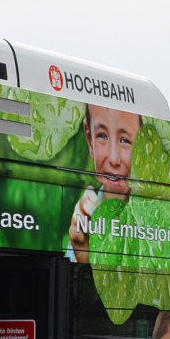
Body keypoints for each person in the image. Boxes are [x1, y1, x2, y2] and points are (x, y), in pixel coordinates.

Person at [67, 104, 139, 264]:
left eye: (125, 140)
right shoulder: (84, 221)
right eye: (102, 136)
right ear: (89, 140)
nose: (114, 159)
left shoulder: (152, 221)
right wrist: (82, 254)